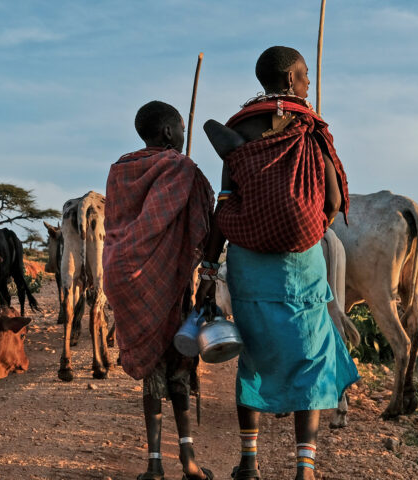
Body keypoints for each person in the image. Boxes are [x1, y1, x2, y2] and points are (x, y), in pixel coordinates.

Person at [195, 46, 360, 480]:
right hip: (300, 264)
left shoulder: (238, 129)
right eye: (305, 75)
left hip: (249, 263)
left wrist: (209, 272)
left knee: (253, 356)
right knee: (312, 356)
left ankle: (248, 464)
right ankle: (304, 469)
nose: (308, 82)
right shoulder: (309, 129)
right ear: (289, 79)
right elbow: (335, 200)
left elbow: (224, 204)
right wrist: (302, 228)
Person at [103, 101, 215, 480]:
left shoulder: (119, 170)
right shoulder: (181, 168)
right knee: (179, 365)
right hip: (170, 280)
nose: (184, 136)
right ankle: (188, 461)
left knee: (151, 365)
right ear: (169, 132)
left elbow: (120, 223)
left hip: (125, 276)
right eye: (181, 129)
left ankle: (154, 464)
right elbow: (204, 221)